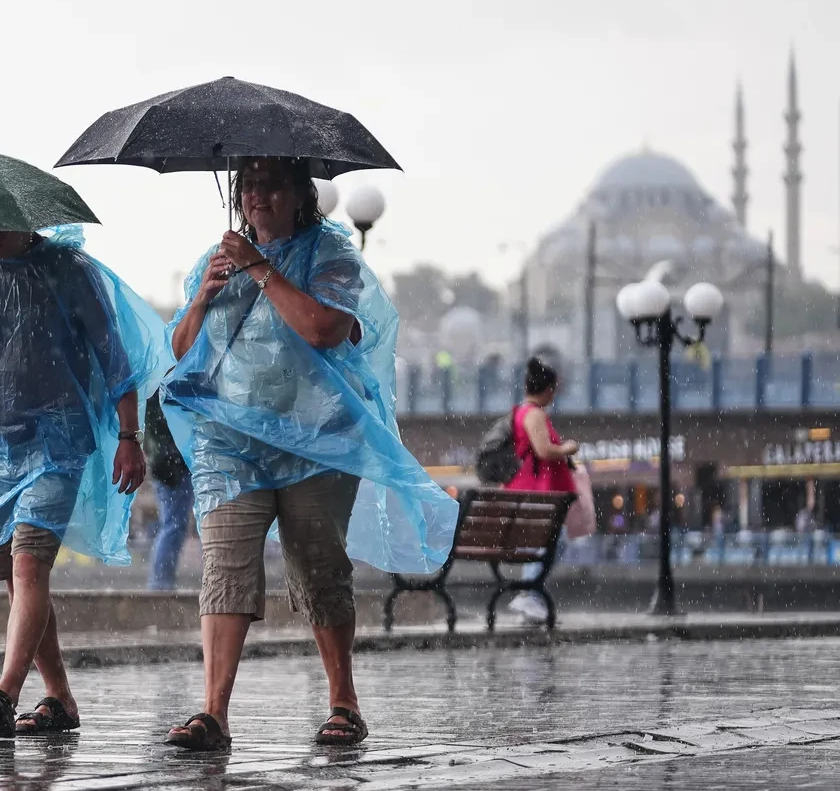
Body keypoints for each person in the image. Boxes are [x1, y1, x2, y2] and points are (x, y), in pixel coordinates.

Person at [161, 157, 459, 750]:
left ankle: (343, 700)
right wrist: (202, 297)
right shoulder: (215, 259)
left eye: (271, 184)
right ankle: (213, 712)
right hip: (229, 441)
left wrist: (260, 270)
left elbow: (324, 329)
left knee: (319, 568)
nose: (256, 195)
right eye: (247, 184)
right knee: (225, 565)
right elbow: (182, 347)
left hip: (316, 440)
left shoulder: (333, 256)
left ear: (302, 194)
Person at [0, 226, 167, 738]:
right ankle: (59, 698)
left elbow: (113, 359)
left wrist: (129, 435)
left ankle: (5, 693)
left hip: (55, 445)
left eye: (2, 222)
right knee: (18, 582)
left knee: (30, 565)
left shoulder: (67, 270)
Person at [504, 357, 579, 624]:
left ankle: (530, 598)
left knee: (541, 545)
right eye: (554, 389)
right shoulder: (533, 414)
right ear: (547, 390)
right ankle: (529, 595)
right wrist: (568, 448)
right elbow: (543, 450)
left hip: (535, 488)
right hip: (537, 489)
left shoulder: (524, 412)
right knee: (547, 544)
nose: (554, 395)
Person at [145, 391, 195, 591]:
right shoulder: (163, 392)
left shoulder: (152, 392)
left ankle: (161, 581)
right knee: (174, 524)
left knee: (174, 523)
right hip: (172, 465)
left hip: (166, 463)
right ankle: (160, 582)